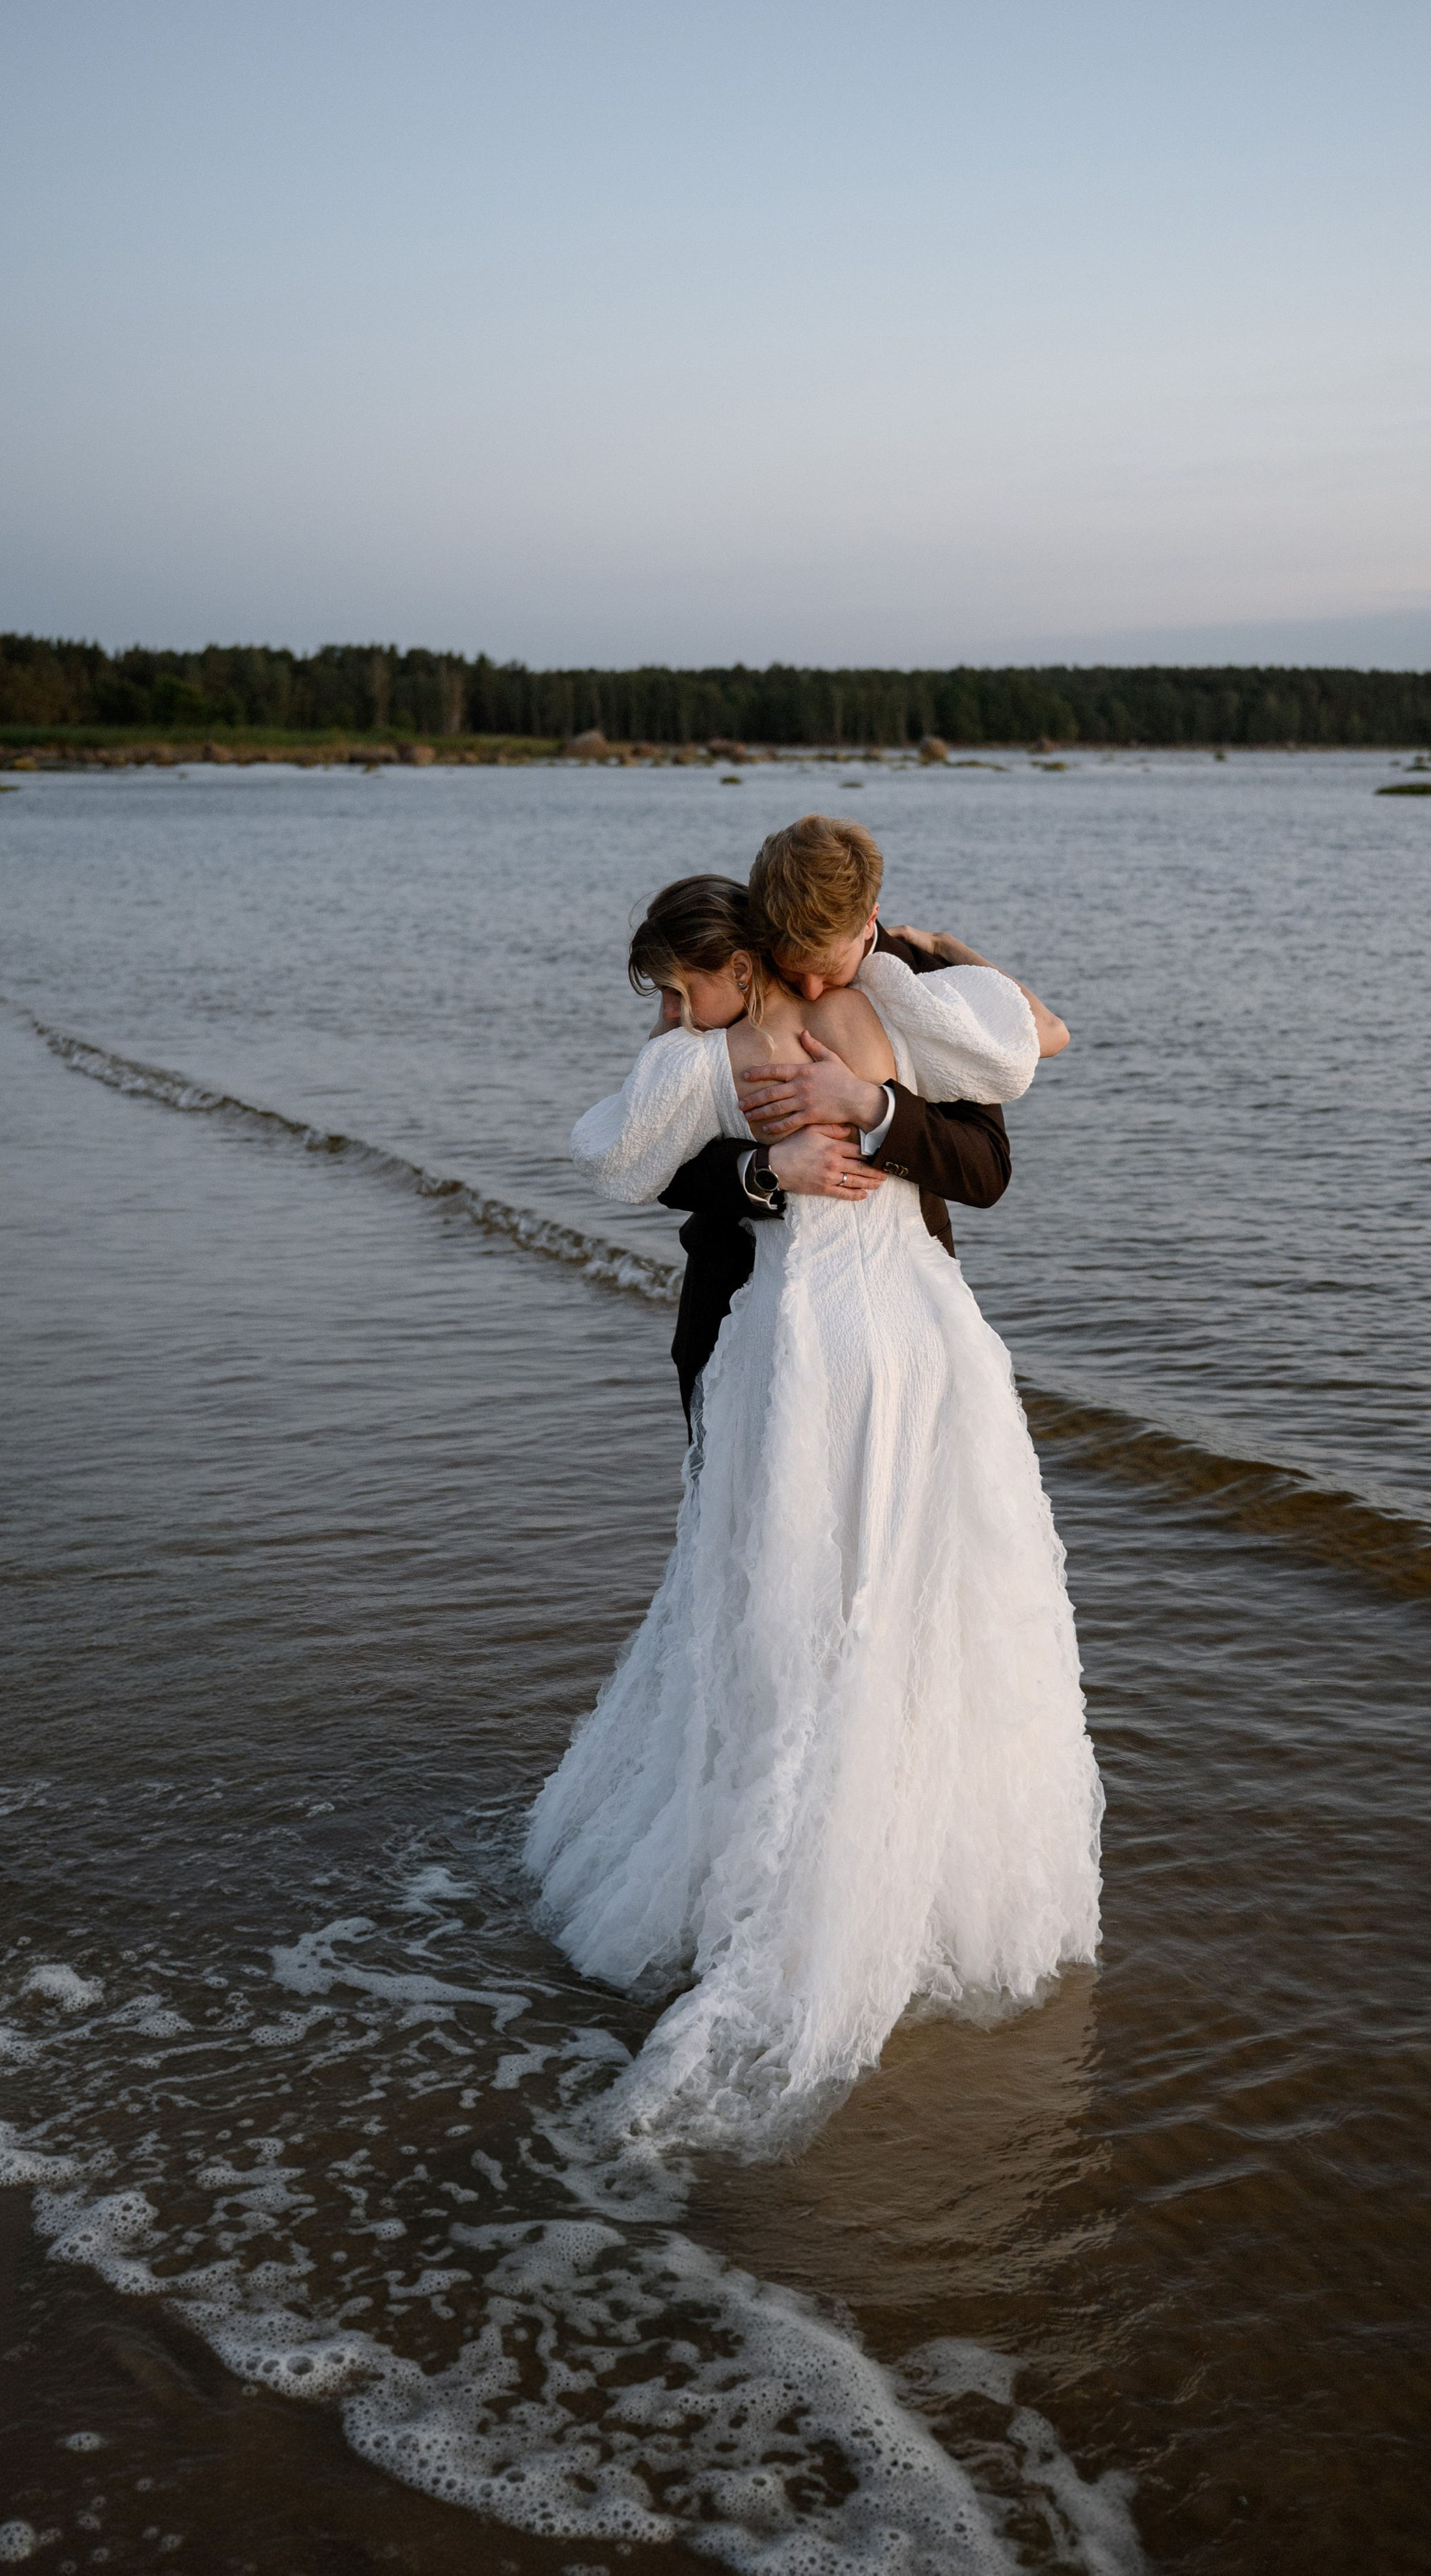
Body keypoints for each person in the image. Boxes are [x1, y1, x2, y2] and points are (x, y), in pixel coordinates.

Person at [525, 847, 1102, 2154]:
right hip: (823, 1337)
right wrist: (770, 1157)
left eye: (680, 995)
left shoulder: (800, 1030)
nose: (670, 1021)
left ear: (744, 963)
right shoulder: (886, 1006)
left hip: (835, 1346)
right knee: (783, 1592)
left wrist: (884, 1074)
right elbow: (1043, 1034)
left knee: (834, 1596)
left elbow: (982, 1153)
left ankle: (806, 1865)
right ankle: (813, 1865)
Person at [655, 814, 1067, 1427]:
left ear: (870, 914)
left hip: (894, 1334)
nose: (816, 990)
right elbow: (655, 1153)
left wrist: (872, 1106)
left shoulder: (928, 986)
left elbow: (986, 1171)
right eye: (794, 967)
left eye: (830, 964)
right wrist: (763, 1170)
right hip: (732, 1315)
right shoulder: (728, 973)